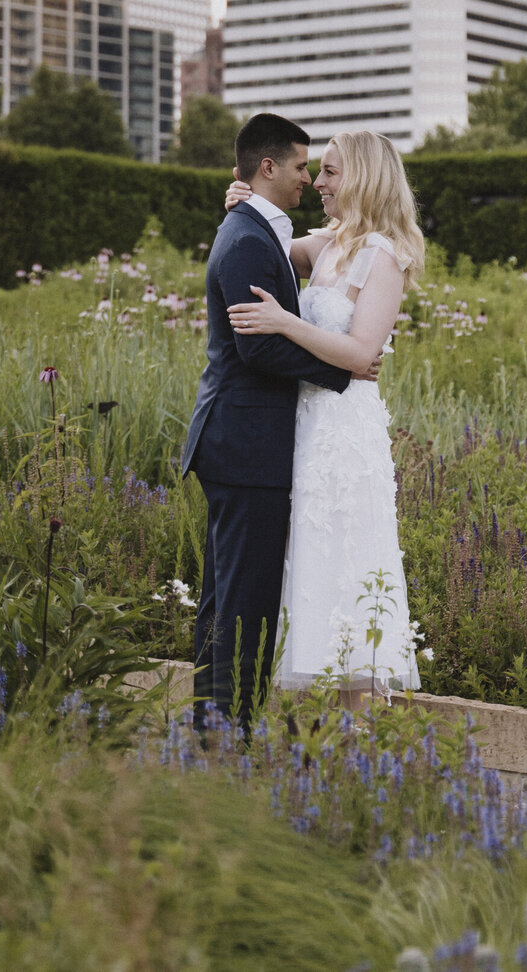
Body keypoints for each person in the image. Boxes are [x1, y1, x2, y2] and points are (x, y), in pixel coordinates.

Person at [181, 112, 382, 731]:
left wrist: (240, 200)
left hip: (251, 440)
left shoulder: (263, 231)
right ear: (269, 167)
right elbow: (258, 347)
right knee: (245, 603)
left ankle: (214, 730)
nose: (310, 179)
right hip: (247, 443)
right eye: (302, 167)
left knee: (227, 597)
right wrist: (343, 372)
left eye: (323, 170)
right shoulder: (248, 237)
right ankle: (229, 736)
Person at [226, 129, 426, 691]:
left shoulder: (384, 256)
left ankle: (358, 715)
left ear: (363, 177)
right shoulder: (327, 243)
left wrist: (285, 323)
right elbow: (265, 240)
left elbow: (361, 353)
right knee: (309, 553)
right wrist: (244, 199)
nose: (317, 182)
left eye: (331, 172)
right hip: (306, 423)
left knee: (346, 553)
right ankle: (317, 706)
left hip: (345, 428)